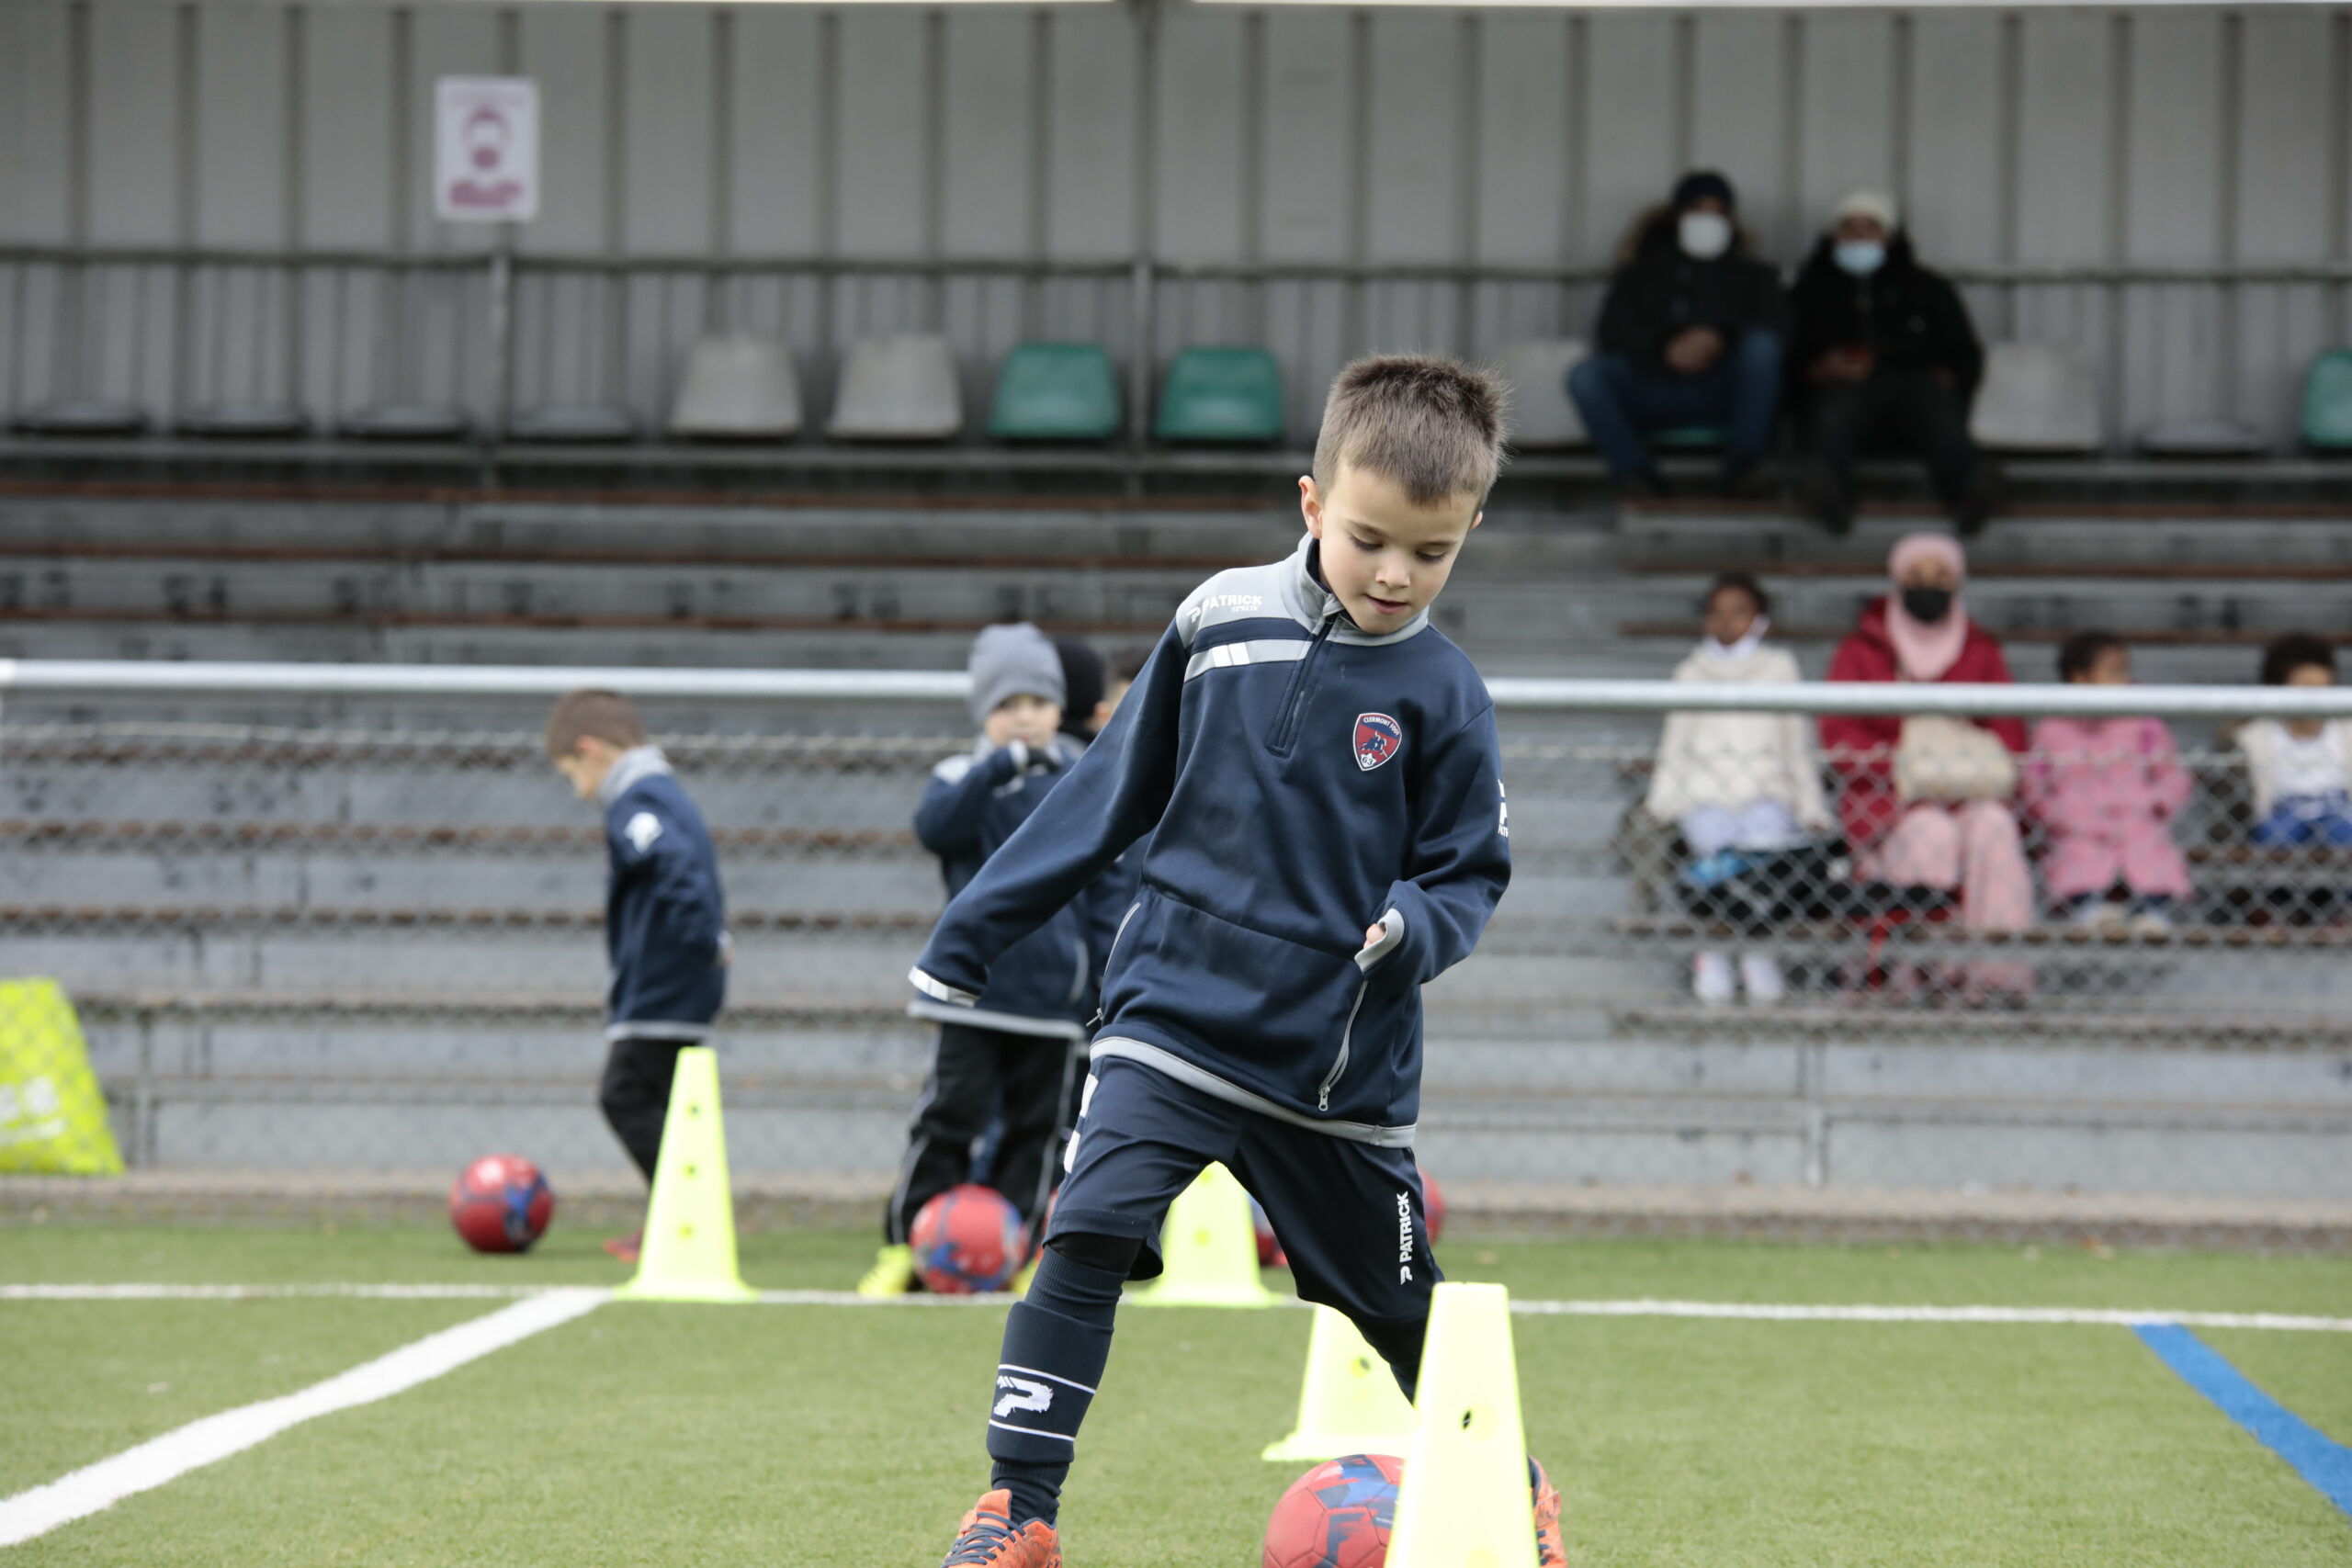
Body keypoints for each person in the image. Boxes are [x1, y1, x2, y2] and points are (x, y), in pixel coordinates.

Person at [907, 356, 1563, 1568]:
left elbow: (1470, 872)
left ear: (1467, 535)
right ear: (1314, 504)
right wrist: (973, 930)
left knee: (1400, 1309)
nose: (1395, 573)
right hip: (1170, 1017)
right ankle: (1019, 1507)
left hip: (1334, 1073)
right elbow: (1108, 793)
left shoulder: (1448, 693)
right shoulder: (1217, 620)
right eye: (1371, 538)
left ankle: (1511, 1488)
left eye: (1433, 552)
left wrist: (1414, 926)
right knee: (1088, 1227)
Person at [861, 624, 1096, 1297]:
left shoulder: (1084, 777)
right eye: (1006, 704)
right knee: (949, 1118)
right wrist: (999, 765)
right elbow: (937, 828)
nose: (1024, 716)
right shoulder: (962, 776)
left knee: (1038, 1131)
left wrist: (1098, 972)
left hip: (1053, 1005)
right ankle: (907, 1246)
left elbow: (1108, 877)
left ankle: (1013, 1253)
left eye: (1038, 701)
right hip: (968, 992)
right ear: (983, 713)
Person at [545, 689, 729, 1264]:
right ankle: (676, 1219)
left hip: (662, 985)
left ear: (591, 750)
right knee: (663, 1104)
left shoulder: (638, 802)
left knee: (622, 1095)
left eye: (571, 772)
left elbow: (673, 863)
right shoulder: (661, 794)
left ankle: (680, 1215)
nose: (578, 789)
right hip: (675, 979)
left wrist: (704, 940)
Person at [1821, 534, 2033, 985]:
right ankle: (1918, 973)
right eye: (1916, 576)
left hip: (1970, 792)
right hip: (1889, 799)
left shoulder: (1981, 650)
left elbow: (2009, 731)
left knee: (1994, 827)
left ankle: (1995, 976)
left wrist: (1962, 774)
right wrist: (1901, 769)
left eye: (1941, 577)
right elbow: (1838, 732)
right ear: (1897, 581)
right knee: (1928, 832)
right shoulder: (1862, 650)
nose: (1928, 586)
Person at [1644, 573, 1830, 1003]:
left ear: (1760, 619)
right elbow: (1676, 746)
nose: (1727, 621)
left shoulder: (1779, 668)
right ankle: (1720, 954)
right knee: (1717, 848)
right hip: (1704, 796)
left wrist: (1811, 807)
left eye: (1739, 612)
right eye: (1717, 612)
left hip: (1767, 793)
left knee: (1760, 850)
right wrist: (1662, 803)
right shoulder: (1690, 673)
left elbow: (1796, 744)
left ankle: (1749, 953)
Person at [1568, 169, 1789, 501]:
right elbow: (1613, 331)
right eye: (1698, 209)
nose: (1708, 219)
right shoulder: (1641, 273)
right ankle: (1638, 477)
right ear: (1678, 215)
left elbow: (1782, 326)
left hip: (1723, 392)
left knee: (1763, 348)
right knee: (1586, 377)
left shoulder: (1756, 276)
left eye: (1718, 211)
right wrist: (1665, 348)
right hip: (1656, 388)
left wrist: (1719, 339)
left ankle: (1744, 469)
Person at [1787, 190, 1996, 537]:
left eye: (1871, 227)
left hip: (1915, 390)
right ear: (1832, 236)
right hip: (1842, 393)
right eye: (1848, 227)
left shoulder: (1929, 288)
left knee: (1936, 413)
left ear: (1890, 235)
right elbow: (1787, 360)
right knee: (1833, 417)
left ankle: (1970, 493)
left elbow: (1966, 355)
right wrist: (1818, 370)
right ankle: (1828, 495)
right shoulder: (1808, 291)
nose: (1859, 236)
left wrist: (1948, 378)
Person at [2020, 633, 2191, 935]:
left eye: (2124, 671)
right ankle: (2089, 907)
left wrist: (2156, 803)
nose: (2123, 679)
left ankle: (2152, 910)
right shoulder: (2051, 729)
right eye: (2113, 671)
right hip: (2077, 826)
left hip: (2136, 820)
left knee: (2152, 851)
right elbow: (2033, 783)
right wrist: (2058, 815)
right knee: (2074, 856)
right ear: (2079, 678)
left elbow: (2172, 774)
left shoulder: (2144, 724)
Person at [2237, 634, 2352, 847]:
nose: (2314, 701)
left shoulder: (2345, 731)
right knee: (2277, 834)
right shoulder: (2254, 737)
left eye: (2323, 690)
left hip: (2339, 811)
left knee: (2345, 830)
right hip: (2283, 815)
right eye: (2306, 689)